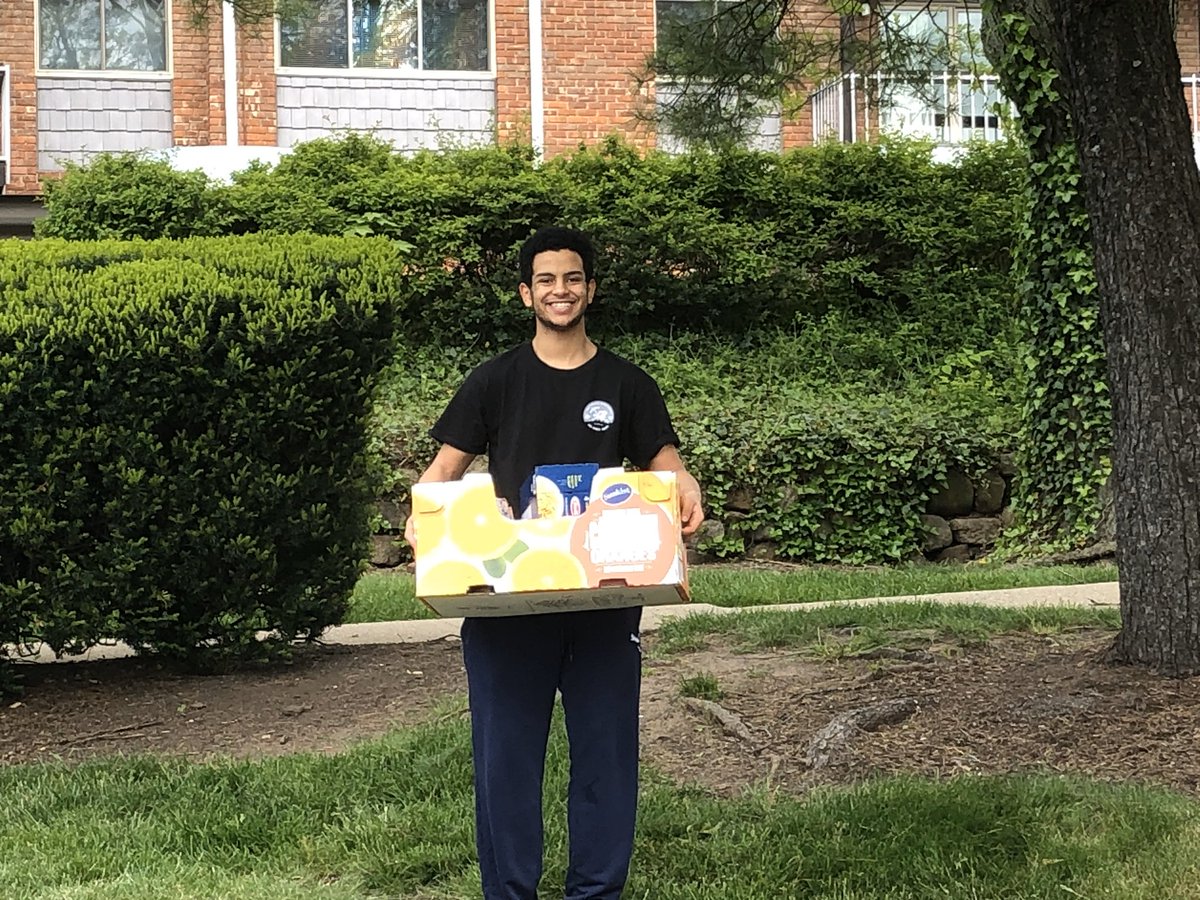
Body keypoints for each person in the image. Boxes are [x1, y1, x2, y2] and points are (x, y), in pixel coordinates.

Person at [404, 225, 704, 900]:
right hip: (508, 601)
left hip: (603, 599)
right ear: (526, 293)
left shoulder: (627, 383)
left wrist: (685, 486)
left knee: (606, 757)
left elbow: (666, 466)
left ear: (590, 289)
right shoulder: (494, 381)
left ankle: (595, 891)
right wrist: (422, 519)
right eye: (546, 280)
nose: (559, 290)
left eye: (572, 279)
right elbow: (443, 471)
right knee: (506, 764)